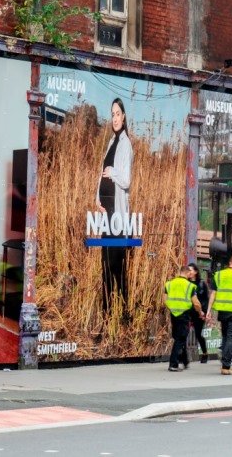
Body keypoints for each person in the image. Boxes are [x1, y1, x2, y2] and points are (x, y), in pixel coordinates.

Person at [96, 97, 133, 322]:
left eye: (118, 113)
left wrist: (112, 172)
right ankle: (107, 313)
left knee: (117, 268)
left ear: (124, 116)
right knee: (105, 265)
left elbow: (126, 180)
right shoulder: (111, 142)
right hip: (105, 214)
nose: (115, 118)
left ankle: (125, 313)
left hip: (117, 217)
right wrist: (97, 200)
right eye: (112, 114)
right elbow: (101, 174)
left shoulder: (125, 144)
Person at [207, 254, 232, 375]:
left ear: (230, 263)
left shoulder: (219, 275)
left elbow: (213, 294)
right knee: (231, 337)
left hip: (222, 311)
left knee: (225, 336)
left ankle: (224, 360)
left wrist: (209, 310)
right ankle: (226, 366)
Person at [164, 266, 204, 372]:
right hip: (184, 315)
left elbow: (165, 300)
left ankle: (184, 360)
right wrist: (200, 312)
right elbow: (196, 303)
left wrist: (173, 308)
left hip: (173, 314)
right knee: (180, 339)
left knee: (178, 337)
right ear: (187, 274)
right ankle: (173, 364)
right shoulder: (190, 286)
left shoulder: (169, 284)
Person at [187, 263, 211, 363]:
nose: (189, 272)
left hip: (199, 313)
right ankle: (183, 356)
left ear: (196, 272)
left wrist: (204, 313)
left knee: (198, 334)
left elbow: (206, 299)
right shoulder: (186, 283)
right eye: (187, 270)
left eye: (191, 270)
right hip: (187, 312)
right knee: (183, 333)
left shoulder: (202, 284)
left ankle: (205, 353)